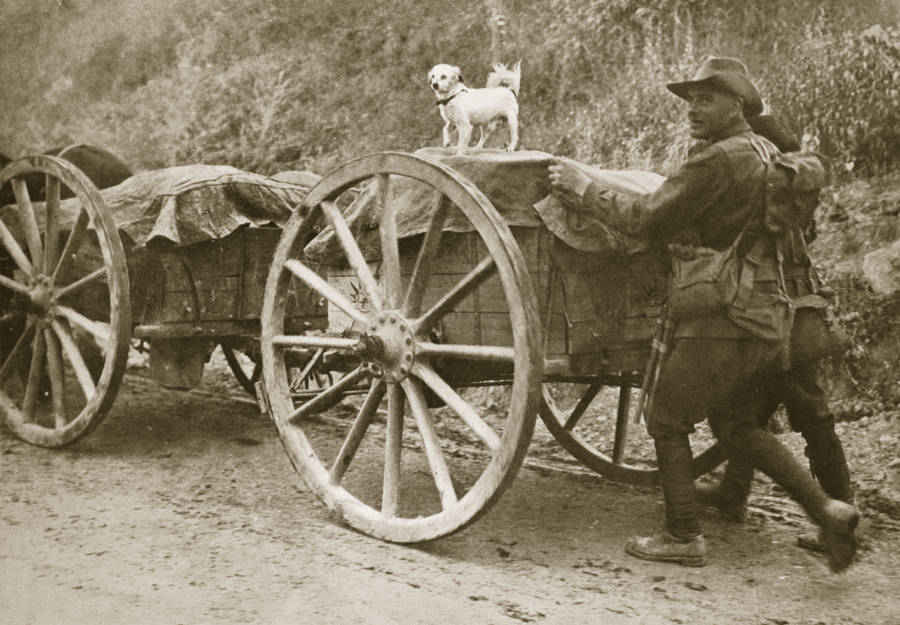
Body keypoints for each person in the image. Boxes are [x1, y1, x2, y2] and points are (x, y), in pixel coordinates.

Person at [547, 56, 860, 571]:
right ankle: (828, 510)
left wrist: (582, 188)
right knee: (737, 423)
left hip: (724, 312)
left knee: (666, 416)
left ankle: (683, 535)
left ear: (736, 105)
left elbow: (643, 218)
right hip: (770, 311)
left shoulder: (716, 161)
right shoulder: (767, 150)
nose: (693, 109)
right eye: (690, 99)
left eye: (706, 99)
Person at [696, 114, 855, 556]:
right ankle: (734, 493)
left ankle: (841, 518)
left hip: (773, 313)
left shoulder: (764, 193)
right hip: (802, 306)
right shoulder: (798, 188)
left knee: (749, 416)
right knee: (785, 412)